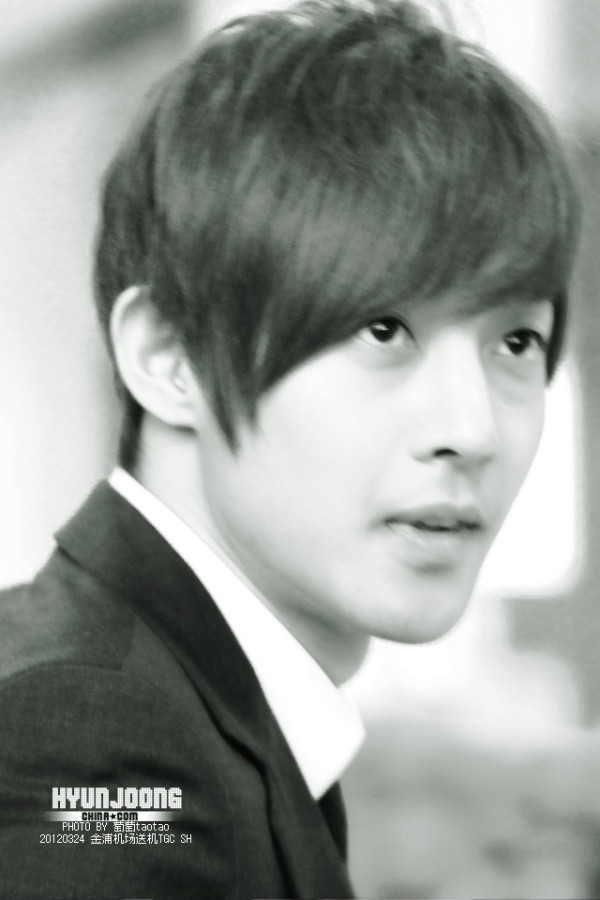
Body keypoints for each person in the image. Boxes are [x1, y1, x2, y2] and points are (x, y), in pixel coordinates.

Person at [0, 0, 580, 897]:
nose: (470, 429)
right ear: (170, 355)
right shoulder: (94, 743)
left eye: (516, 343)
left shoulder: (185, 706)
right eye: (383, 330)